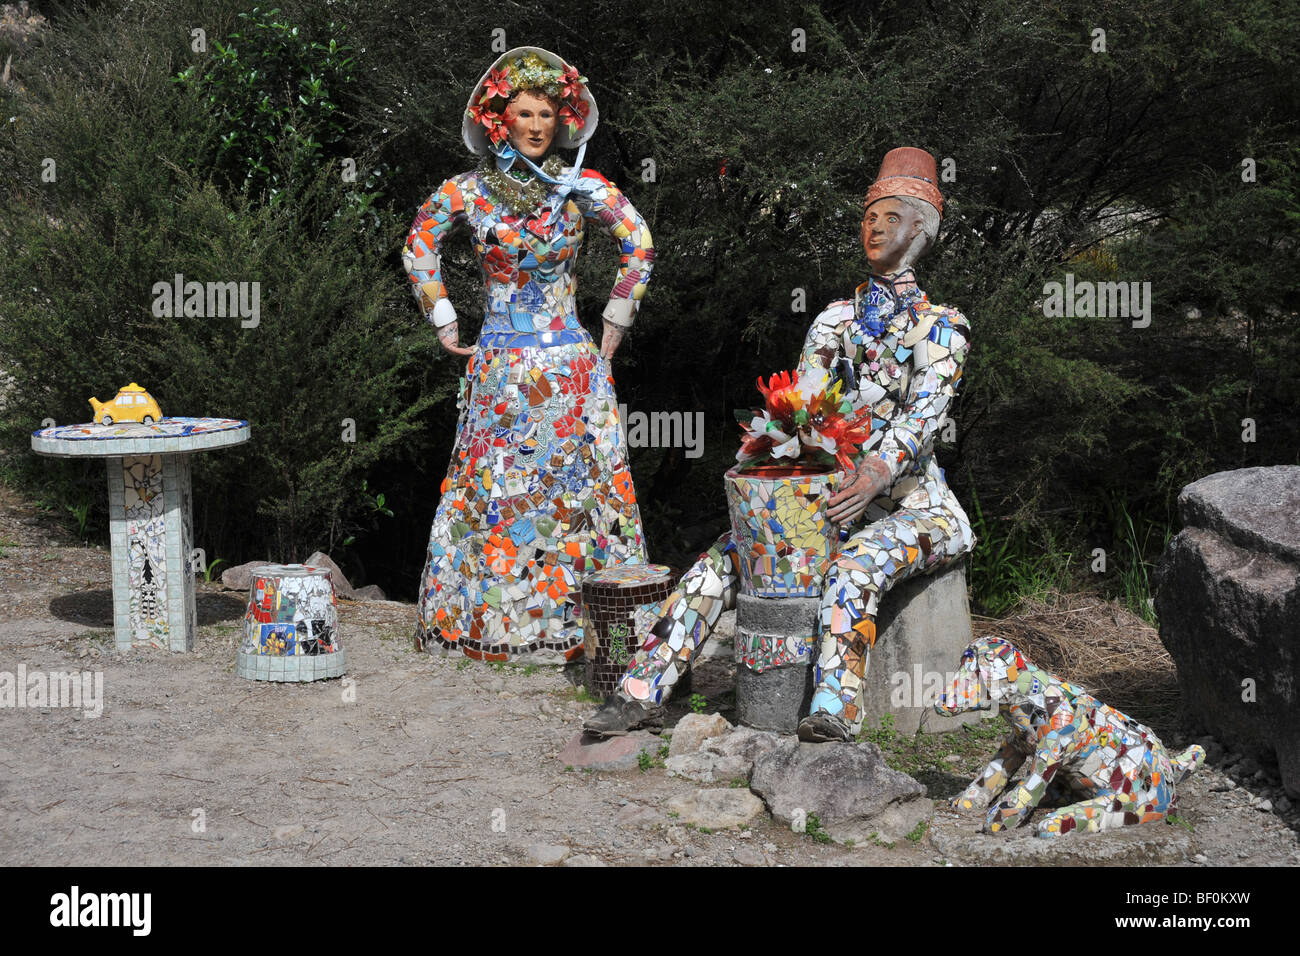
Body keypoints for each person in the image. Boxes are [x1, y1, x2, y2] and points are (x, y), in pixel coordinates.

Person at [585, 147, 975, 740]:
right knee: (727, 557)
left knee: (855, 567)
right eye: (868, 216)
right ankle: (641, 691)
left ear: (920, 227)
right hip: (832, 496)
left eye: (889, 217)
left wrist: (875, 472)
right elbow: (804, 411)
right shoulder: (833, 320)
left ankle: (834, 710)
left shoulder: (942, 326)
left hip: (917, 507)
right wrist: (776, 463)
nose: (873, 227)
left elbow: (922, 419)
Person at [402, 48, 655, 662]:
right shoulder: (466, 191)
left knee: (580, 494)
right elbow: (418, 245)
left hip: (570, 365)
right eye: (525, 113)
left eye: (548, 113)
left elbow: (640, 244)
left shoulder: (580, 188)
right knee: (496, 492)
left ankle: (588, 627)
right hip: (498, 365)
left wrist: (616, 317)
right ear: (500, 121)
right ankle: (486, 622)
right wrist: (442, 314)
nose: (538, 125)